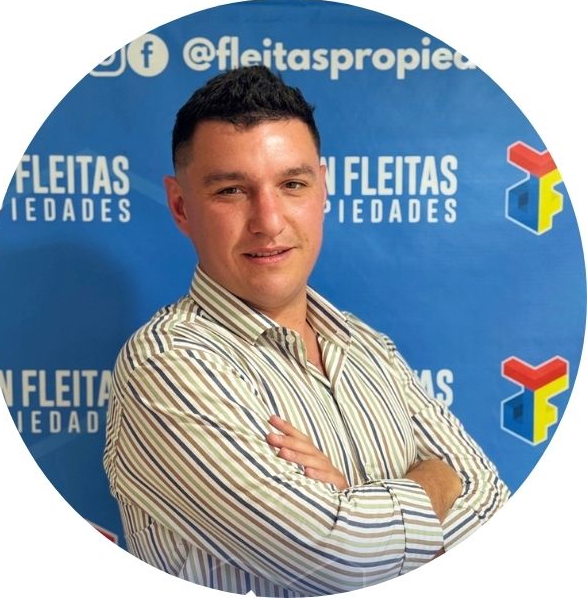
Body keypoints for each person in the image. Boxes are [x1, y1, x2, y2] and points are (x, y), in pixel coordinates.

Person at [103, 65, 509, 597]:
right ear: (181, 206)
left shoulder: (366, 346)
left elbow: (494, 510)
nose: (268, 221)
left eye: (292, 184)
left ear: (322, 188)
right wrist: (432, 481)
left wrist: (355, 507)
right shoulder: (168, 364)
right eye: (231, 190)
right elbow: (342, 559)